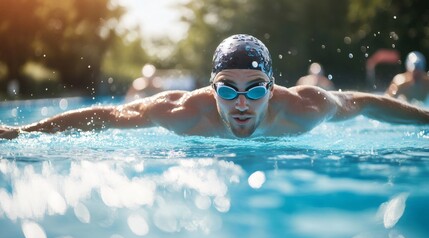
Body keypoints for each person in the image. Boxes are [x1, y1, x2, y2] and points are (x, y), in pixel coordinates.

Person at [1, 34, 429, 140]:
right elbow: (108, 116)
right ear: (211, 89)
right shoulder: (183, 112)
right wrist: (25, 132)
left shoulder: (305, 107)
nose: (241, 103)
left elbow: (369, 104)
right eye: (227, 90)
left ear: (273, 87)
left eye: (255, 89)